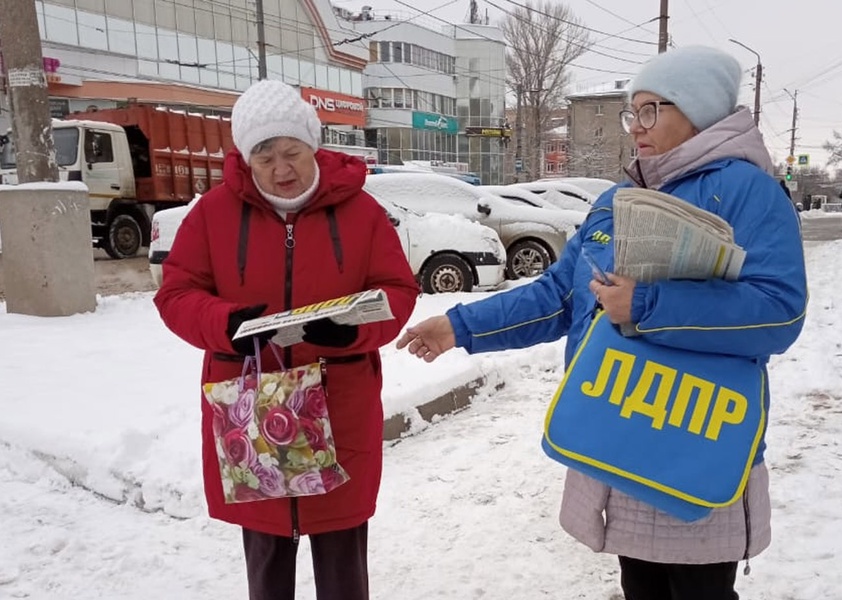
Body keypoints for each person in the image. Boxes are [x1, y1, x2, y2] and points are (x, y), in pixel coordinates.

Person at [396, 45, 806, 600]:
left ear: (698, 110)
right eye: (630, 112)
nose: (635, 126)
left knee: (700, 590)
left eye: (650, 110)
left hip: (696, 430)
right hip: (618, 421)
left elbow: (779, 311)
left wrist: (649, 306)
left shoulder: (748, 191)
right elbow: (559, 298)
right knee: (641, 585)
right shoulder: (620, 197)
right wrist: (458, 327)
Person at [154, 79, 420, 600]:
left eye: (292, 152)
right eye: (264, 156)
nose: (281, 169)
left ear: (312, 144)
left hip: (339, 409)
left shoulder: (362, 213)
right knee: (267, 561)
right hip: (250, 415)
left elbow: (398, 292)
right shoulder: (211, 214)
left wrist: (349, 328)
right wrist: (225, 323)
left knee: (343, 561)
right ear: (245, 158)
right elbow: (177, 294)